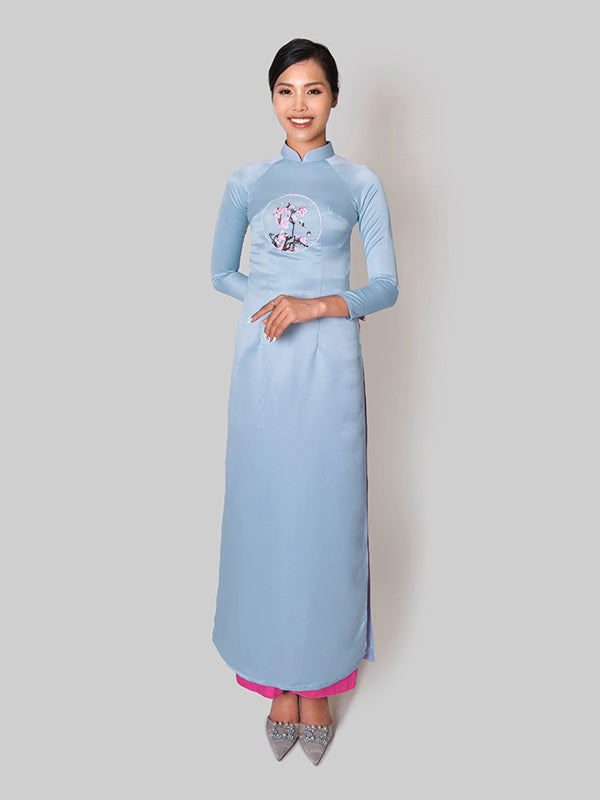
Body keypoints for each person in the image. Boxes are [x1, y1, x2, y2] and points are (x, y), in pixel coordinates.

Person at [210, 38, 399, 764]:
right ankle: (276, 679)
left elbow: (385, 287)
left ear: (334, 98)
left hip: (328, 366)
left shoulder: (359, 182)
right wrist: (268, 303)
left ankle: (318, 681)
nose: (300, 105)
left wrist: (317, 305)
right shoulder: (246, 182)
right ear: (272, 98)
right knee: (266, 514)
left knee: (324, 514)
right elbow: (221, 273)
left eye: (313, 90)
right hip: (263, 365)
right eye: (286, 90)